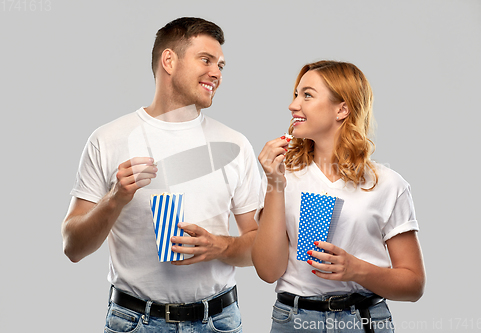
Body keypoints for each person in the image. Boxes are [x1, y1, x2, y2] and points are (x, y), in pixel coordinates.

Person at [62, 17, 260, 333]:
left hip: (218, 321)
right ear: (169, 60)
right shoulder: (108, 139)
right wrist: (115, 199)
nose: (217, 73)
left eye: (221, 65)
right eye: (206, 60)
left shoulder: (235, 144)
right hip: (134, 322)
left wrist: (217, 246)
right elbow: (72, 247)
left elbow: (261, 250)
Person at [252, 60, 425, 333]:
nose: (293, 105)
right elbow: (267, 271)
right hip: (294, 321)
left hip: (364, 320)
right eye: (296, 94)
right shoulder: (284, 175)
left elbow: (413, 285)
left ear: (342, 109)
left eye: (307, 95)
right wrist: (275, 182)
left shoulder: (388, 184)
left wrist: (356, 270)